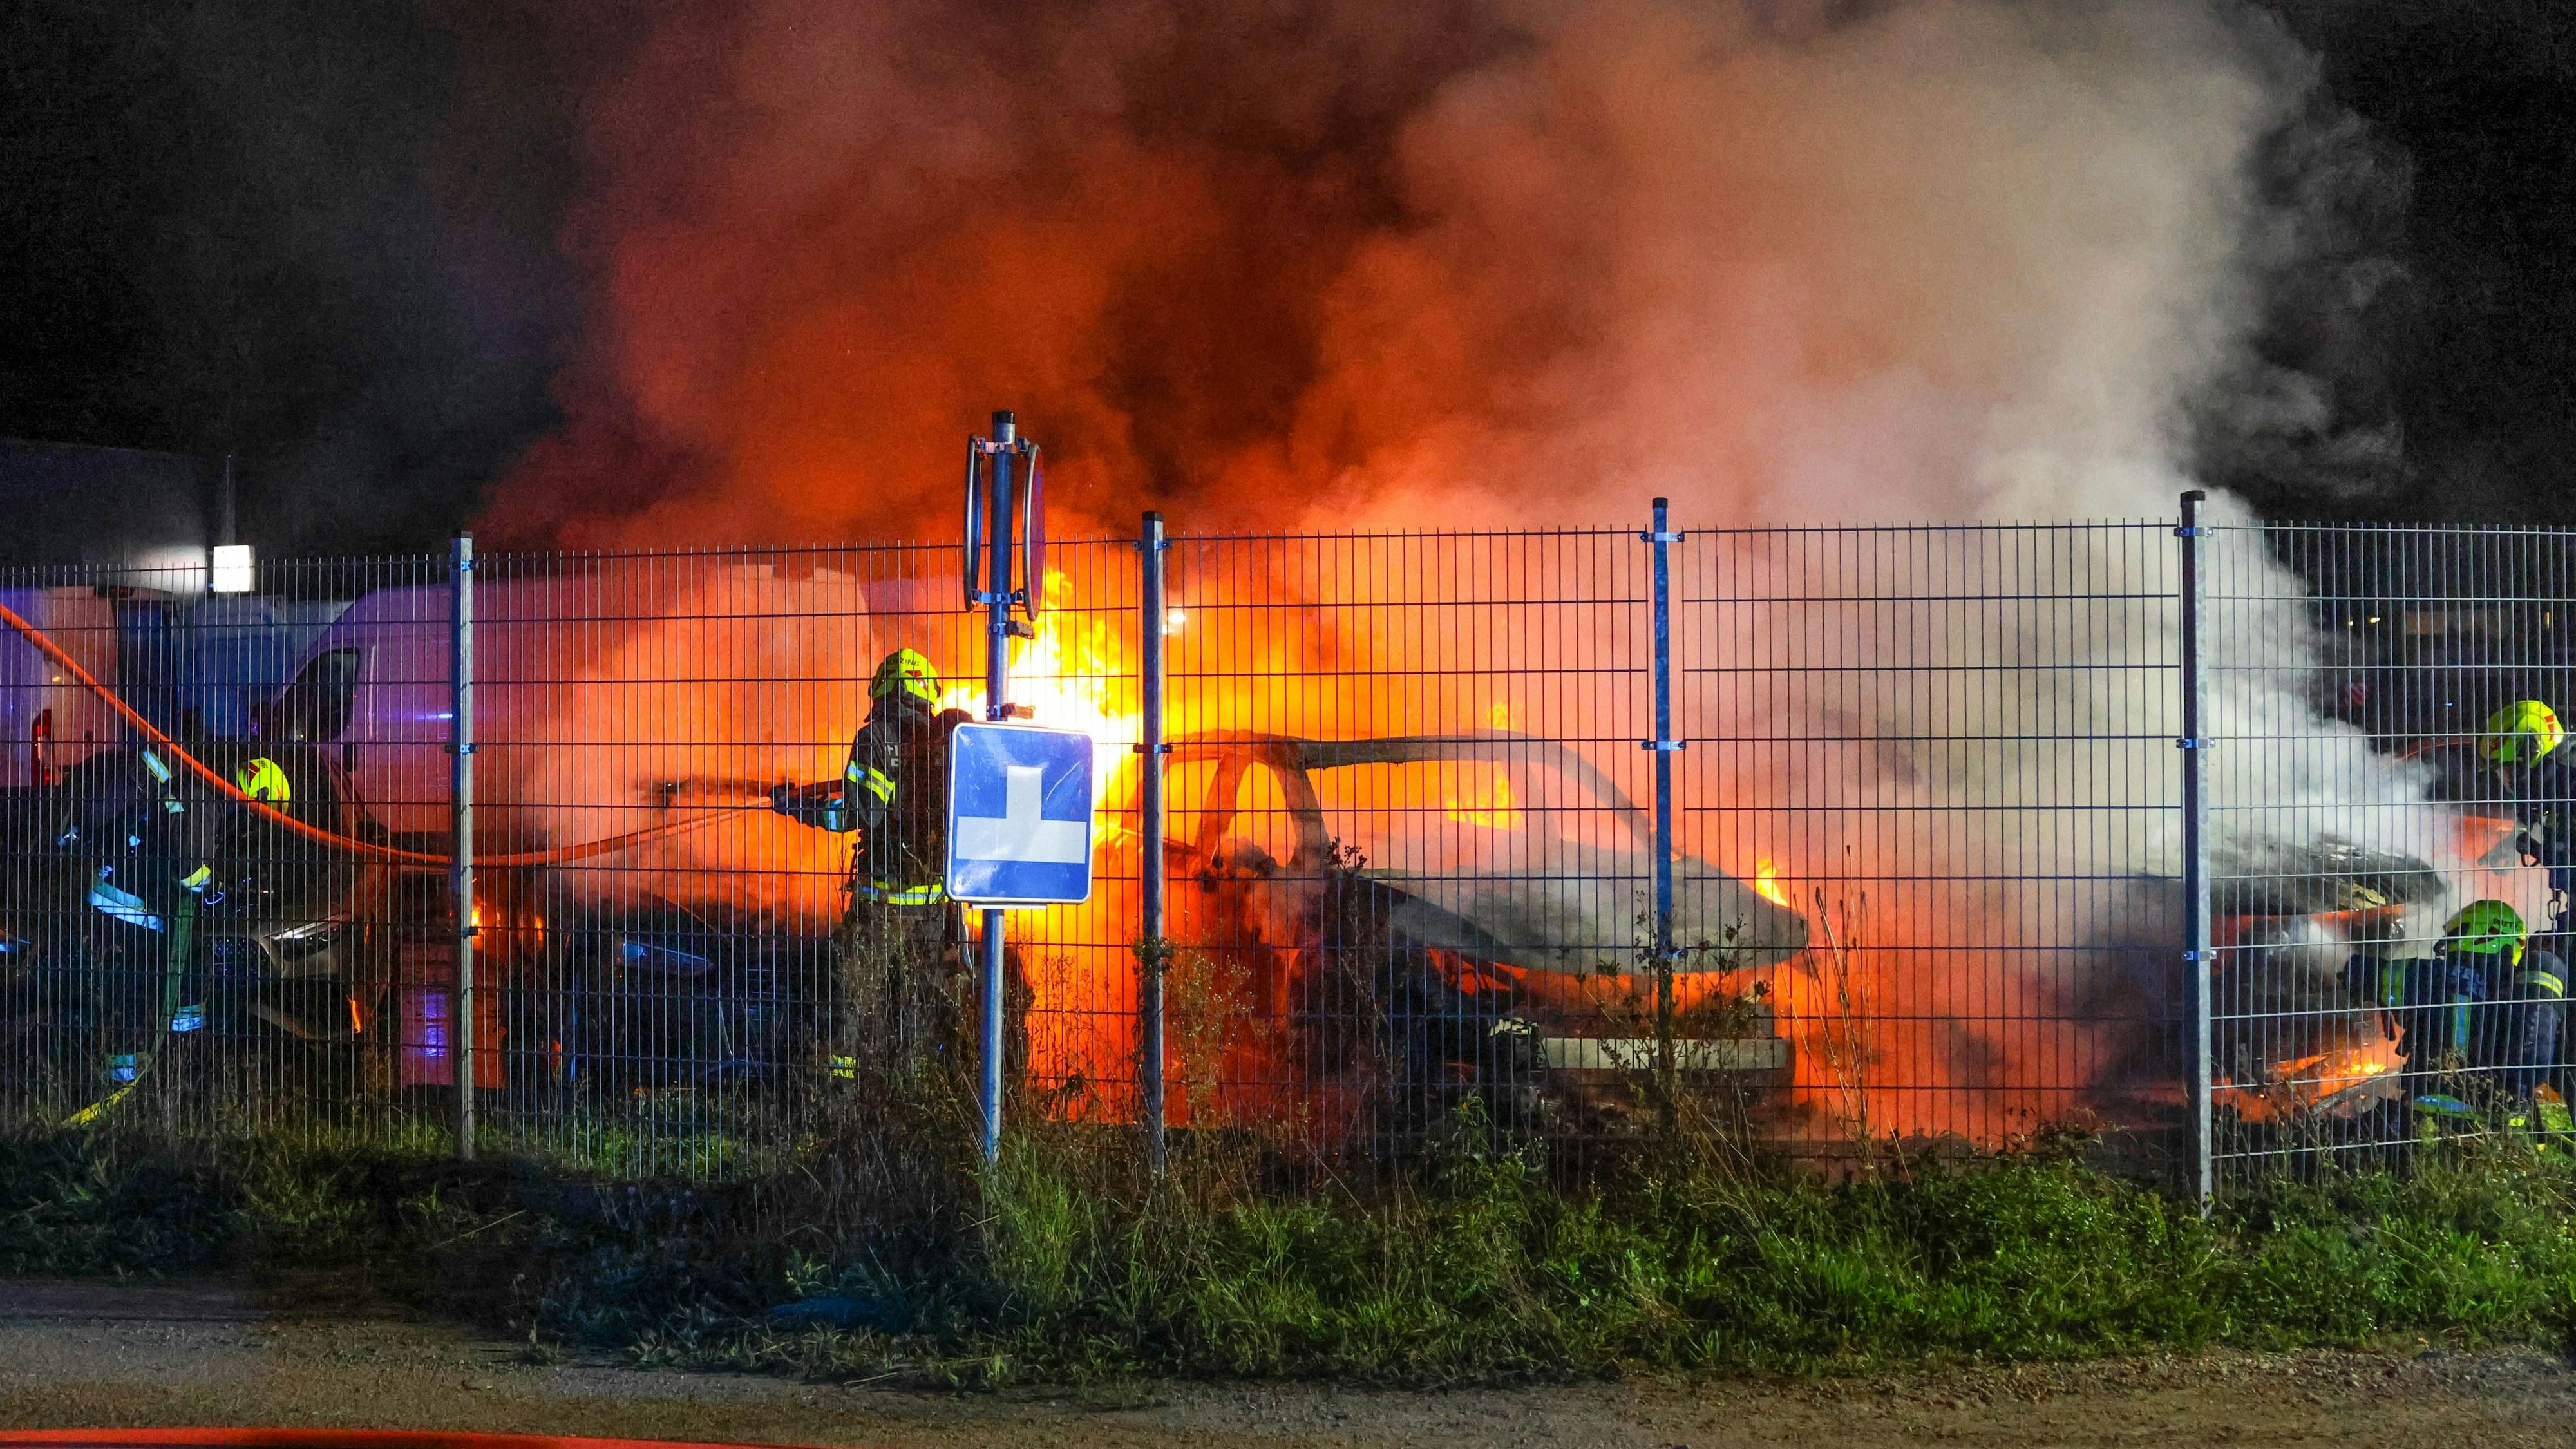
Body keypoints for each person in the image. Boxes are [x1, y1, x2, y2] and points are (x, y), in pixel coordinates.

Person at [773, 649, 977, 1083]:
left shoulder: (878, 738)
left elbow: (855, 814)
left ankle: (840, 1101)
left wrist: (798, 809)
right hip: (937, 908)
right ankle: (908, 1095)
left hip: (882, 906)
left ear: (883, 687)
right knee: (917, 1003)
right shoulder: (950, 743)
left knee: (850, 999)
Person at [2362, 899, 2571, 1134]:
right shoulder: (2517, 988)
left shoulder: (2436, 974)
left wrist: (2336, 957)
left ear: (2479, 932)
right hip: (2499, 1116)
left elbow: (2370, 973)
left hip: (2435, 1107)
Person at [2483, 700, 2576, 936]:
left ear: (2530, 753)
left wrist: (2539, 850)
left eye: (2507, 770)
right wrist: (2515, 842)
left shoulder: (2567, 788)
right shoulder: (2559, 787)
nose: (2506, 782)